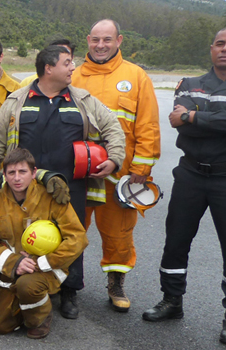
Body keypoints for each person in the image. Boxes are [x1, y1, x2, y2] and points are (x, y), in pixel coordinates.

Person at [142, 26, 226, 346]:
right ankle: (172, 301)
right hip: (190, 174)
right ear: (211, 48)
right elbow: (189, 126)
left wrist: (194, 116)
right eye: (219, 44)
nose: (225, 49)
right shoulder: (190, 84)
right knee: (176, 240)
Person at [0, 45, 125, 320]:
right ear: (49, 68)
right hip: (26, 187)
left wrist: (115, 158)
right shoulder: (17, 100)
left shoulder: (82, 99)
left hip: (70, 186)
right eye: (67, 63)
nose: (73, 68)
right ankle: (33, 283)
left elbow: (112, 128)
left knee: (72, 236)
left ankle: (69, 291)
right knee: (28, 236)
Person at [72, 19, 161, 313]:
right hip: (80, 172)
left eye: (107, 39)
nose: (100, 45)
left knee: (118, 233)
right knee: (70, 228)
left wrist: (141, 169)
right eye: (95, 39)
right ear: (87, 39)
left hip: (120, 174)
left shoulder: (136, 77)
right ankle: (67, 284)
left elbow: (147, 125)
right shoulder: (72, 76)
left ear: (119, 40)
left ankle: (116, 282)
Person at [0, 148, 87, 338]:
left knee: (28, 286)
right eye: (11, 172)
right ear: (4, 175)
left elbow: (77, 238)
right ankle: (25, 303)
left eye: (23, 172)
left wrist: (42, 262)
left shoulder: (52, 197)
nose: (17, 178)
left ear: (34, 173)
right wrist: (14, 263)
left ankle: (39, 318)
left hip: (48, 266)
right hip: (12, 268)